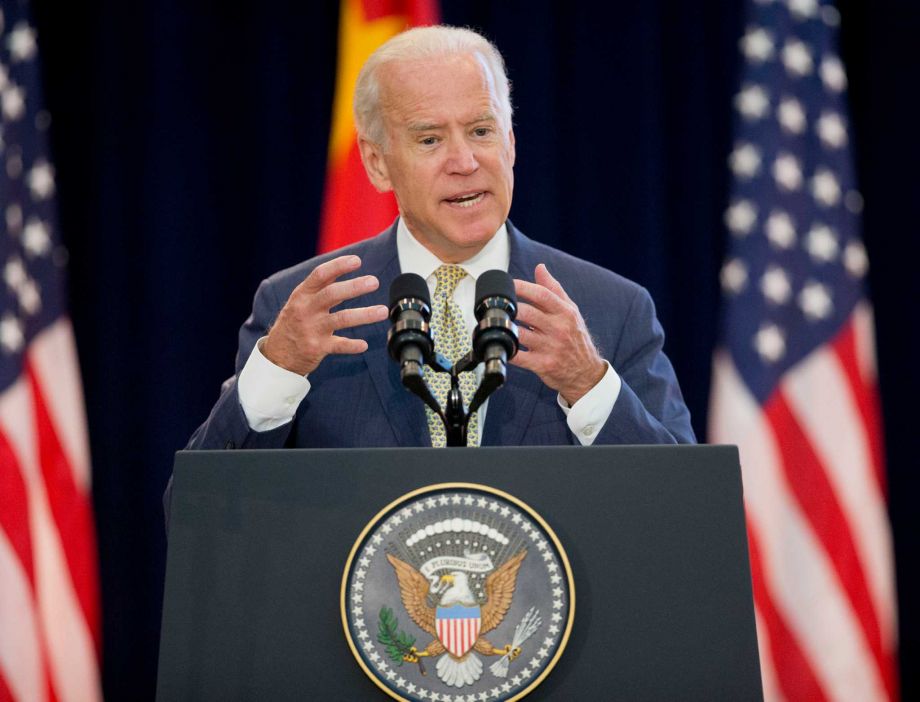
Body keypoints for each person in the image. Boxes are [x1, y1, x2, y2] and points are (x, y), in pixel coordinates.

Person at [185, 25, 695, 454]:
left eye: (481, 131)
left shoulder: (611, 309)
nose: (465, 162)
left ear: (511, 142)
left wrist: (589, 384)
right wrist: (277, 370)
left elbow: (688, 511)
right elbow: (203, 517)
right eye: (430, 139)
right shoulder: (305, 310)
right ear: (377, 162)